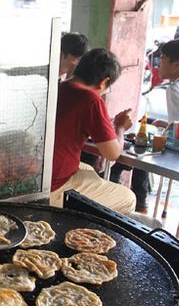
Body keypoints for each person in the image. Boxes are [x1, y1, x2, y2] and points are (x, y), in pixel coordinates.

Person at [51, 48, 135, 213]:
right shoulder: (91, 100)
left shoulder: (59, 87)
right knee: (128, 198)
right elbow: (112, 154)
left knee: (89, 170)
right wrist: (119, 127)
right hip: (53, 186)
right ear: (104, 82)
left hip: (41, 176)